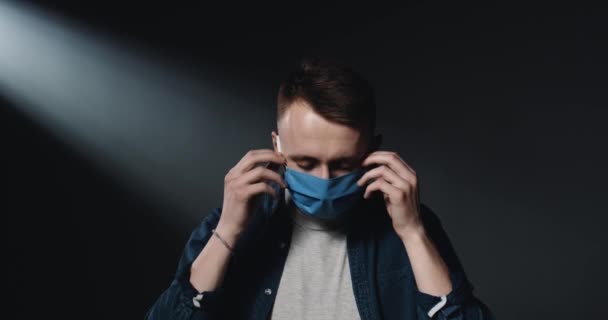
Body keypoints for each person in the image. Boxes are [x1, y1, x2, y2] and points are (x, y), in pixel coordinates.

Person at [145, 58, 495, 320]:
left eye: (343, 163)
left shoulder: (411, 226)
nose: (325, 180)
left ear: (372, 152)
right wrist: (228, 232)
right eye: (306, 163)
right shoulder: (234, 222)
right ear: (277, 145)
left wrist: (413, 233)